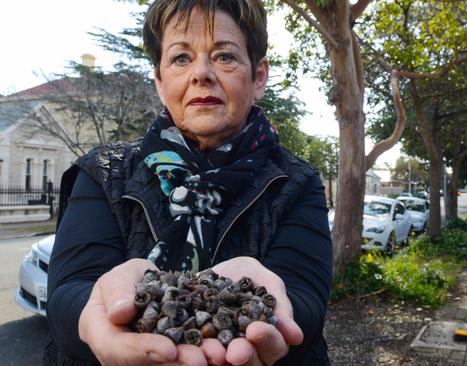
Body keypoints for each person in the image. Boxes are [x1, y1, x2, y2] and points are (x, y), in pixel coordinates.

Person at [44, 1, 333, 365]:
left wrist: (268, 309)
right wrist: (99, 311)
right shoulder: (103, 173)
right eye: (181, 58)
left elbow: (304, 301)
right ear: (160, 82)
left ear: (259, 77)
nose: (202, 74)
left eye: (224, 56)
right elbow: (67, 296)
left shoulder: (297, 183)